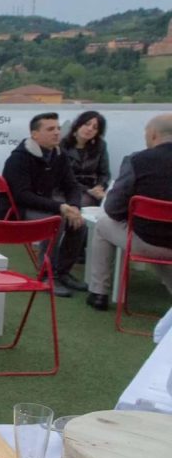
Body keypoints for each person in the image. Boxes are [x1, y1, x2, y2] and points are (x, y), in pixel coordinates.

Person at [86, 113, 172, 310]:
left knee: (103, 224)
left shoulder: (137, 160)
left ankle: (99, 292)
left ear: (153, 135)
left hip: (145, 240)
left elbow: (113, 207)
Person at [0, 112, 87, 297]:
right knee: (56, 221)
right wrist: (60, 207)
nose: (56, 133)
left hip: (42, 207)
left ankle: (62, 272)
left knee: (79, 224)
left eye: (58, 128)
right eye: (50, 129)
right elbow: (22, 196)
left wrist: (75, 206)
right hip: (17, 211)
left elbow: (72, 185)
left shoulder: (59, 155)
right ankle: (46, 276)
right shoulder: (18, 158)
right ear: (34, 134)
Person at [61, 110, 110, 207]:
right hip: (67, 188)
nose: (90, 129)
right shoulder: (62, 145)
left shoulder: (100, 146)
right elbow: (61, 176)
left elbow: (104, 173)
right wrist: (87, 190)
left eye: (95, 128)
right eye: (87, 124)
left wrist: (99, 187)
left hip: (92, 189)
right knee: (81, 203)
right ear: (78, 125)